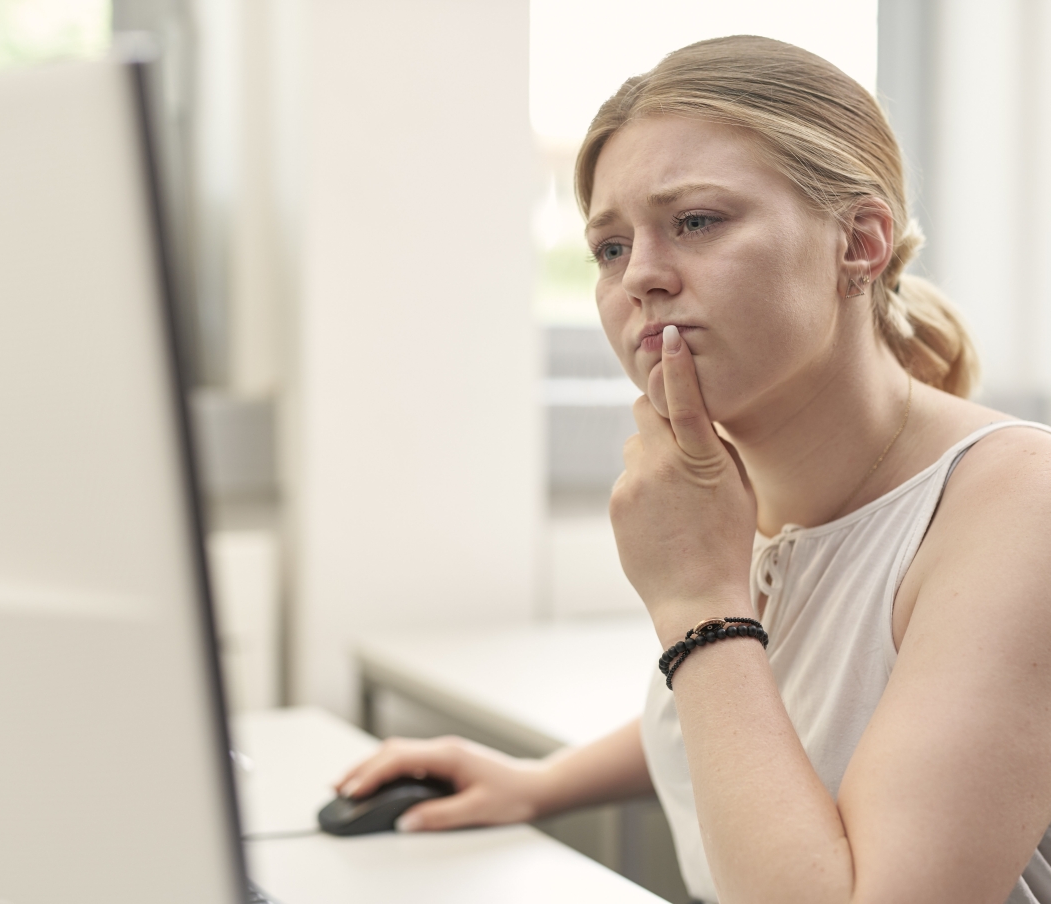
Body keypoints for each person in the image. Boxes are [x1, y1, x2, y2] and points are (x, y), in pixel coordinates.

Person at [336, 35, 1051, 904]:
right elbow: (791, 706)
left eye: (697, 222)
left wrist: (698, 601)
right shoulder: (738, 488)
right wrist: (541, 782)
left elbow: (734, 670)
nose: (639, 276)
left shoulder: (1019, 503)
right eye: (608, 248)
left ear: (859, 243)